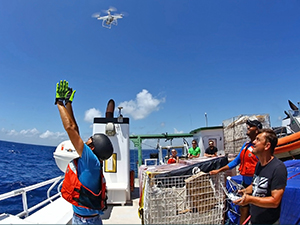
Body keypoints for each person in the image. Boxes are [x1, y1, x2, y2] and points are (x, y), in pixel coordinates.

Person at [55, 80, 113, 224]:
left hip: (85, 222)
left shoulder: (91, 161)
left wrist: (59, 103)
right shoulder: (93, 162)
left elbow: (70, 129)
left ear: (92, 148)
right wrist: (69, 103)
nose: (87, 139)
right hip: (87, 219)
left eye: (90, 139)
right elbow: (75, 129)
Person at [209, 119, 262, 225]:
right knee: (243, 208)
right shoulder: (246, 146)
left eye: (251, 126)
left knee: (255, 211)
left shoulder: (259, 147)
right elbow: (236, 161)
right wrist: (219, 170)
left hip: (256, 184)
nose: (248, 127)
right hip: (245, 183)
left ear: (257, 130)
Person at [234, 129, 287, 225]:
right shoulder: (259, 165)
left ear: (267, 146)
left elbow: (275, 201)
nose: (254, 142)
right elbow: (255, 185)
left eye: (258, 140)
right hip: (254, 220)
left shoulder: (278, 168)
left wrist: (250, 199)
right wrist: (244, 191)